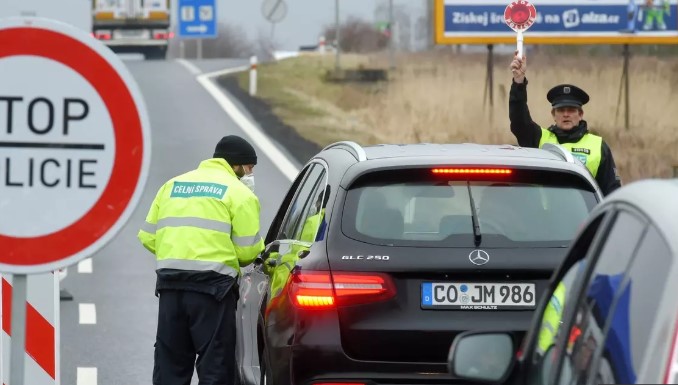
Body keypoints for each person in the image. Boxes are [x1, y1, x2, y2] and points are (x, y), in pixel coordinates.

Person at [137, 135, 264, 385]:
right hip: (212, 291)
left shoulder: (172, 186)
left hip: (170, 288)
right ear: (235, 165)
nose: (250, 174)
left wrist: (182, 253)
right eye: (249, 168)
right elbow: (247, 253)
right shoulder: (239, 194)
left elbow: (148, 237)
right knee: (215, 365)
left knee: (170, 365)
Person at [509, 52, 622, 196]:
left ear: (580, 114)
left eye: (571, 110)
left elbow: (612, 191)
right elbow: (519, 121)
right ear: (553, 115)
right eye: (561, 110)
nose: (566, 114)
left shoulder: (598, 146)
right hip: (544, 217)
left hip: (585, 217)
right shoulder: (540, 139)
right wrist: (519, 82)